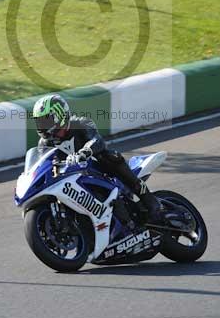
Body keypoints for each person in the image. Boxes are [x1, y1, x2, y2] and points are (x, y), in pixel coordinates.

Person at [32, 93, 164, 224]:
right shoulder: (44, 144)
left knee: (109, 156)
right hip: (74, 180)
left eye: (46, 120)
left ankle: (150, 201)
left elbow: (97, 141)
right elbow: (43, 164)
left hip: (99, 170)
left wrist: (84, 152)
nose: (42, 125)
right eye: (39, 121)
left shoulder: (81, 123)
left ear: (60, 115)